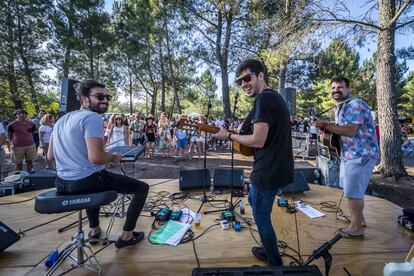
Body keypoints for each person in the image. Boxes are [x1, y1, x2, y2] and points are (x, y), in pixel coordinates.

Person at [47, 80, 149, 249]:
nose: (105, 100)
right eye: (99, 96)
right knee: (141, 188)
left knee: (93, 182)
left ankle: (94, 230)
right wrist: (112, 157)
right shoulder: (92, 117)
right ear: (84, 99)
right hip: (86, 180)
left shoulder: (62, 120)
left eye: (107, 96)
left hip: (62, 183)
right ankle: (127, 235)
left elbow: (50, 156)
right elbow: (96, 158)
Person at [213, 59, 294, 266]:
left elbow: (258, 140)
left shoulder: (263, 100)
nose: (243, 84)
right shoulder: (274, 98)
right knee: (255, 203)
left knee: (261, 216)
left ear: (261, 76)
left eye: (247, 78)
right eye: (240, 82)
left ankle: (274, 261)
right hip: (277, 168)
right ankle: (269, 249)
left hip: (267, 170)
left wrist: (229, 137)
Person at [314, 76, 379, 239]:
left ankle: (356, 227)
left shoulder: (355, 105)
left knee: (353, 192)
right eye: (333, 88)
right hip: (349, 154)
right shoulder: (342, 107)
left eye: (340, 87)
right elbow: (342, 129)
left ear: (347, 88)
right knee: (350, 189)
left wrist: (325, 125)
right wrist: (329, 129)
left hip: (361, 153)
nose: (336, 90)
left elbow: (350, 130)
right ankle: (359, 219)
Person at [7, 109, 38, 173]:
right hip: (17, 147)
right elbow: (9, 136)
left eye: (24, 113)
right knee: (18, 163)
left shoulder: (32, 124)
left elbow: (34, 133)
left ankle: (29, 176)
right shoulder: (11, 125)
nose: (22, 115)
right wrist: (11, 144)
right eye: (20, 113)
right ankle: (20, 178)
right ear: (16, 116)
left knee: (30, 162)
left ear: (26, 115)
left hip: (30, 146)